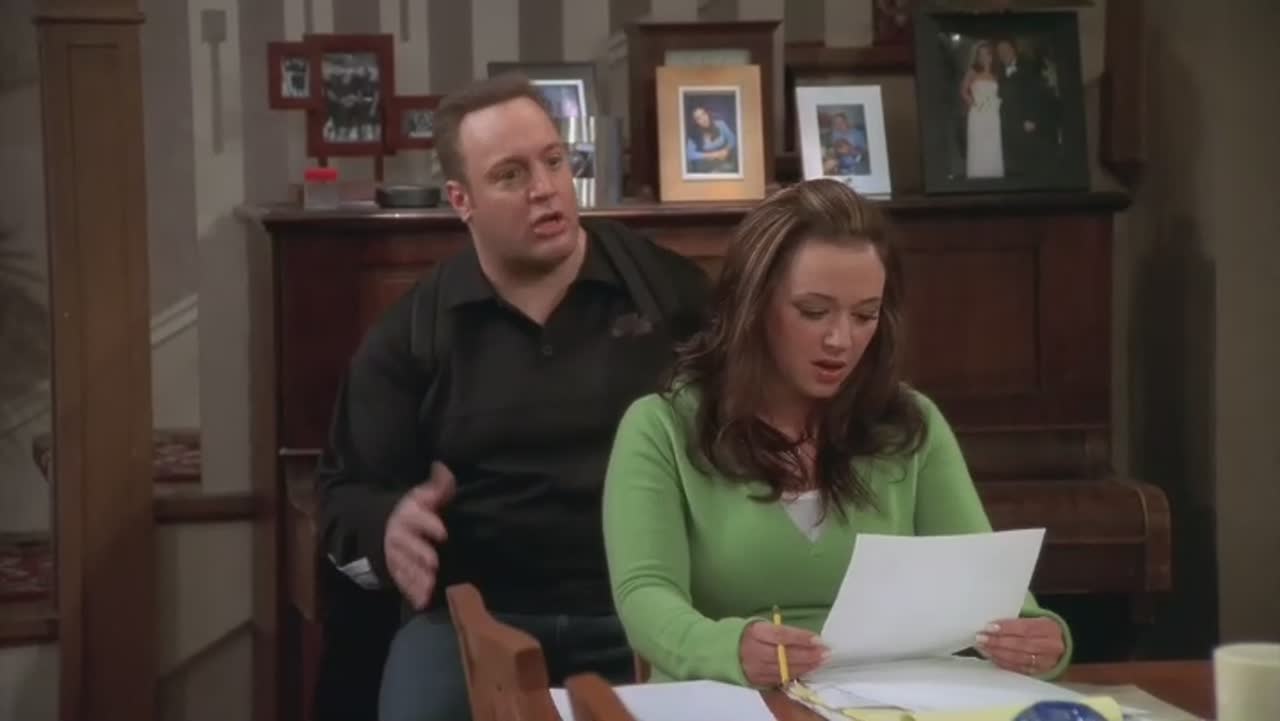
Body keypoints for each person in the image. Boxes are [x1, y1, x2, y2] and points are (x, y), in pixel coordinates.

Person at [313, 72, 711, 721]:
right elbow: (343, 493)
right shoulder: (411, 335)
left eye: (554, 161)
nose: (545, 188)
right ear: (461, 199)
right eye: (510, 175)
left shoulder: (669, 295)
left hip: (641, 605)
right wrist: (388, 527)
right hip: (471, 621)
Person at [602, 178, 1073, 688]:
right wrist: (726, 648)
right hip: (723, 699)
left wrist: (1036, 635)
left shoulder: (909, 423)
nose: (840, 340)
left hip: (884, 699)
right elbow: (644, 595)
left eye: (865, 315)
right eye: (813, 312)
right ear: (752, 306)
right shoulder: (661, 427)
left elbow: (984, 582)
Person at [962, 40, 1005, 178]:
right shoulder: (972, 72)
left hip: (993, 116)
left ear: (991, 55)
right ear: (977, 57)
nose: (984, 57)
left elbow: (998, 95)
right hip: (977, 115)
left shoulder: (996, 74)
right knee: (979, 147)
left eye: (986, 53)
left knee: (992, 146)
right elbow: (963, 91)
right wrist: (973, 103)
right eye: (980, 54)